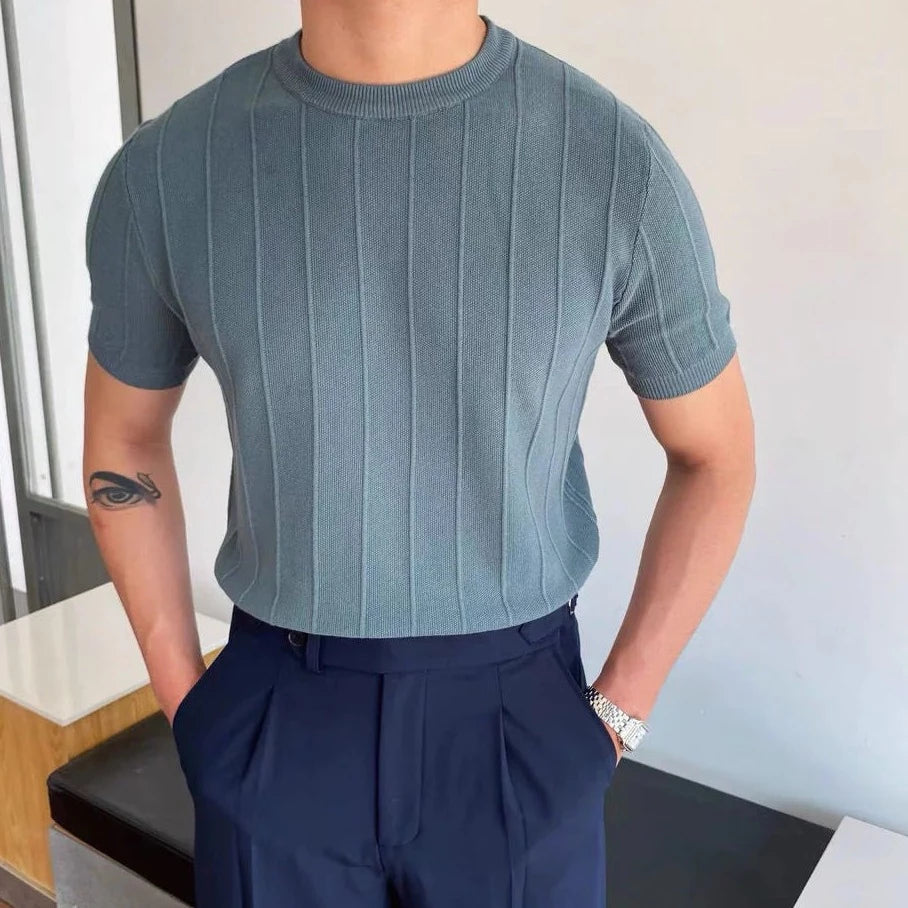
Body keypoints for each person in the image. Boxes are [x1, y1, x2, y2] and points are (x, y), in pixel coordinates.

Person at [82, 2, 755, 905]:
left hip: (520, 724)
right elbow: (124, 439)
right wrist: (187, 700)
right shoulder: (169, 170)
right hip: (276, 715)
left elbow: (716, 456)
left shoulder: (613, 164)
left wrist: (617, 713)